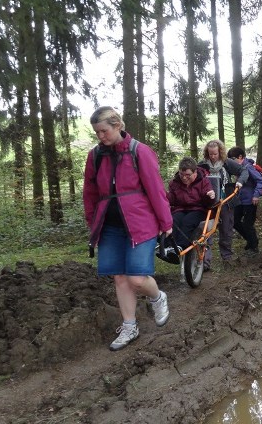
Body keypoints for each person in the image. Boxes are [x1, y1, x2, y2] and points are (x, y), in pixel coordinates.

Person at [83, 106, 173, 351]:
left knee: (136, 277)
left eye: (104, 131)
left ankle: (157, 297)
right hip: (109, 226)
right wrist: (93, 221)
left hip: (140, 224)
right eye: (97, 132)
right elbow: (90, 192)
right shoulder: (95, 156)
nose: (100, 136)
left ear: (118, 126)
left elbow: (156, 189)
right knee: (120, 277)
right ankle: (129, 325)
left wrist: (166, 222)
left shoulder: (139, 152)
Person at [200, 140, 249, 268]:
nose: (213, 156)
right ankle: (205, 262)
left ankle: (227, 257)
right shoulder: (202, 166)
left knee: (226, 229)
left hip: (226, 201)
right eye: (210, 154)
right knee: (206, 230)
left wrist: (239, 182)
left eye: (215, 154)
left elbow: (244, 171)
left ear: (220, 152)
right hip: (208, 203)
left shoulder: (227, 163)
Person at [166, 157, 215, 253]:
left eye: (188, 175)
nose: (184, 178)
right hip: (180, 209)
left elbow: (208, 204)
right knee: (173, 220)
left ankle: (181, 246)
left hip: (199, 209)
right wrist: (165, 196)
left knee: (188, 221)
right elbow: (172, 200)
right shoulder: (175, 183)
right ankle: (168, 247)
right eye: (181, 174)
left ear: (195, 173)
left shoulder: (203, 181)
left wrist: (209, 197)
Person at [227, 146, 262, 255]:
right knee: (235, 221)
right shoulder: (238, 168)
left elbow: (260, 181)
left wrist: (256, 195)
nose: (232, 162)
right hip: (240, 200)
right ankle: (251, 240)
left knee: (248, 224)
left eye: (233, 159)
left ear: (240, 157)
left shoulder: (249, 167)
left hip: (250, 200)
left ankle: (254, 247)